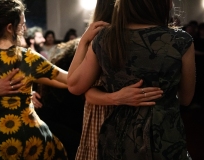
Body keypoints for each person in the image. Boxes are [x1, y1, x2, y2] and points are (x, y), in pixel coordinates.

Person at [67, 0, 195, 159]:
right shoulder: (181, 40)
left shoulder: (105, 38)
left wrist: (83, 42)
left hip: (118, 136)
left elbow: (74, 86)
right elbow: (186, 98)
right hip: (164, 135)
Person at [0, 0, 68, 159]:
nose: (25, 29)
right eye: (22, 24)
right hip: (30, 140)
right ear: (9, 27)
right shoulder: (28, 57)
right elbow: (71, 81)